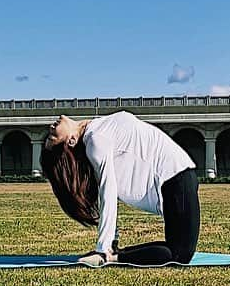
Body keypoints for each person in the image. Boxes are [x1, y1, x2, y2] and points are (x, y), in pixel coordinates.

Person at [41, 110, 200, 266]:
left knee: (178, 248)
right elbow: (107, 192)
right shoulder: (95, 141)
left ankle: (114, 254)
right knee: (180, 254)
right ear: (71, 141)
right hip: (175, 179)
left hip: (176, 177)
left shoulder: (97, 127)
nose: (50, 128)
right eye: (53, 137)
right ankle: (112, 257)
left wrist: (110, 243)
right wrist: (103, 249)